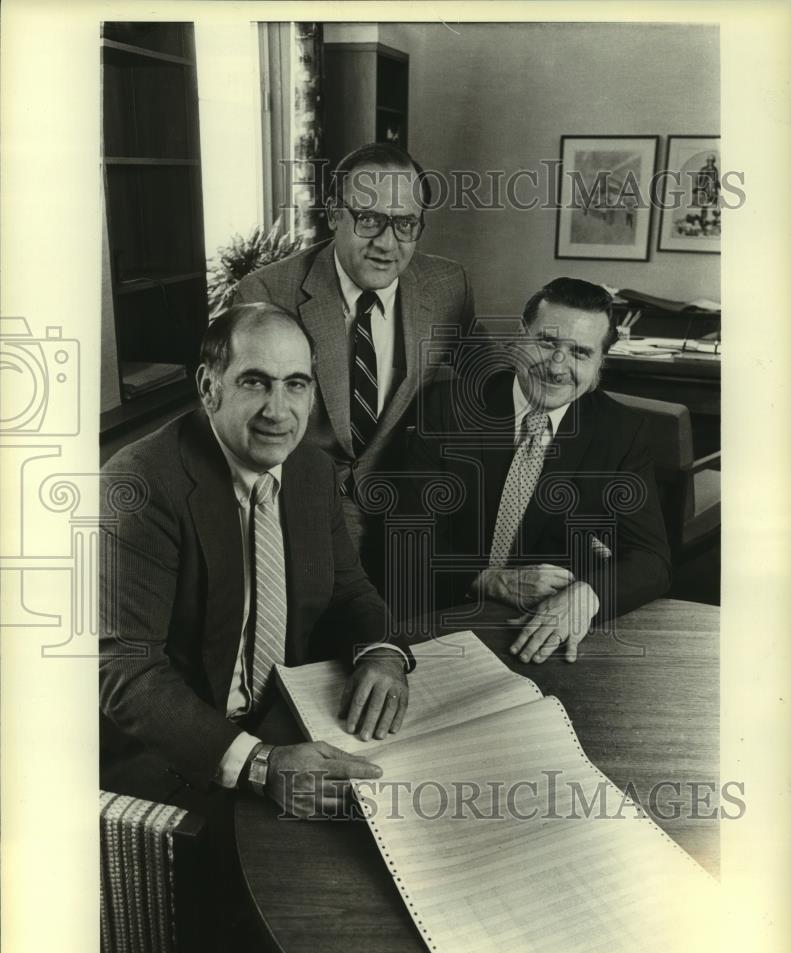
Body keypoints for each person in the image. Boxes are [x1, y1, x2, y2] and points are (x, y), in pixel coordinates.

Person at [100, 303, 413, 819]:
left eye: (296, 384)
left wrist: (382, 654)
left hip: (283, 723)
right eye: (254, 382)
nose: (278, 410)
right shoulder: (138, 486)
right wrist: (261, 764)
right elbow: (127, 672)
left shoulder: (311, 470)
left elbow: (349, 590)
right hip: (173, 758)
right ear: (208, 387)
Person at [233, 142, 476, 575]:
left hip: (409, 499)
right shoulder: (266, 295)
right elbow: (243, 429)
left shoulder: (447, 286)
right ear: (333, 214)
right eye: (368, 220)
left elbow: (494, 378)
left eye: (405, 224)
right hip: (299, 504)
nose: (387, 243)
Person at [402, 277, 671, 664]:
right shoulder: (448, 408)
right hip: (441, 615)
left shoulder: (622, 433)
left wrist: (587, 594)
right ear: (519, 339)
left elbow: (652, 559)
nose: (557, 367)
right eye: (547, 343)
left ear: (600, 364)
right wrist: (490, 579)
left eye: (580, 353)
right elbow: (407, 537)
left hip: (548, 633)